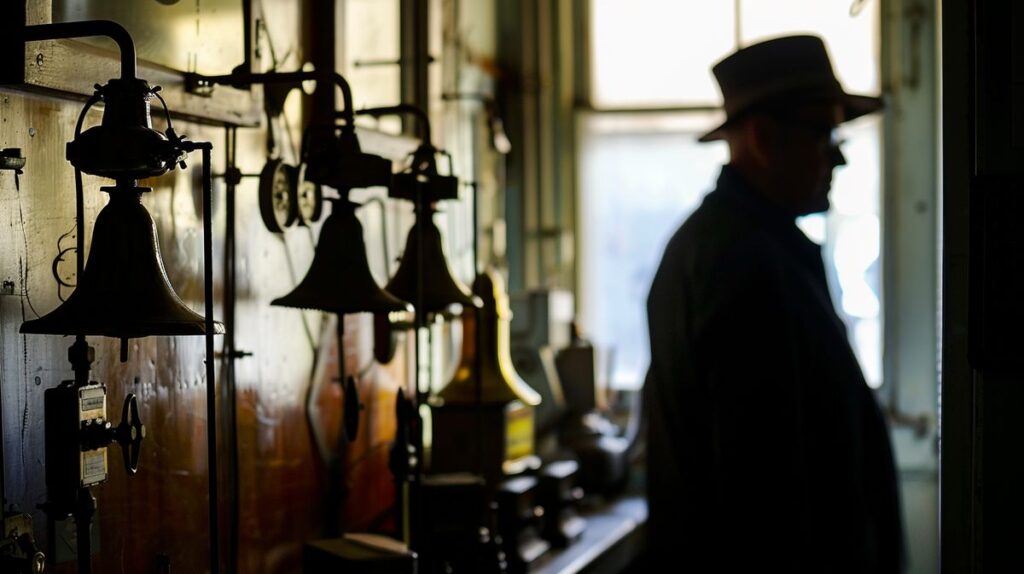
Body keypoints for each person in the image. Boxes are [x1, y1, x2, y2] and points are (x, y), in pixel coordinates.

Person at [643, 35, 905, 572]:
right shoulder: (740, 263)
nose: (838, 157)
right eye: (824, 132)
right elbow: (762, 486)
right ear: (763, 137)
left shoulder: (751, 248)